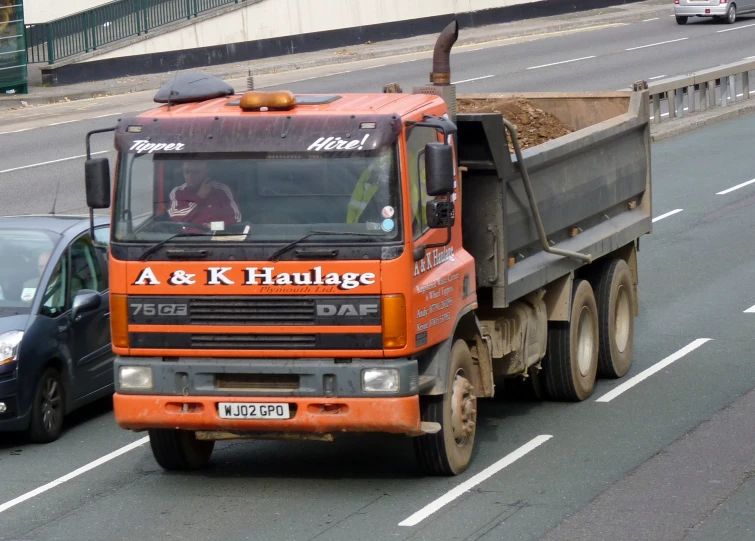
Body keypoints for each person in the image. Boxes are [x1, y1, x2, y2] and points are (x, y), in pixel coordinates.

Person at [168, 161, 242, 228]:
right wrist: (199, 198)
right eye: (186, 172)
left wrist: (214, 226)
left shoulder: (222, 190)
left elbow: (236, 218)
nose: (190, 176)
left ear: (206, 171)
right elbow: (176, 218)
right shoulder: (177, 192)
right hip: (184, 240)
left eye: (195, 172)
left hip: (218, 240)